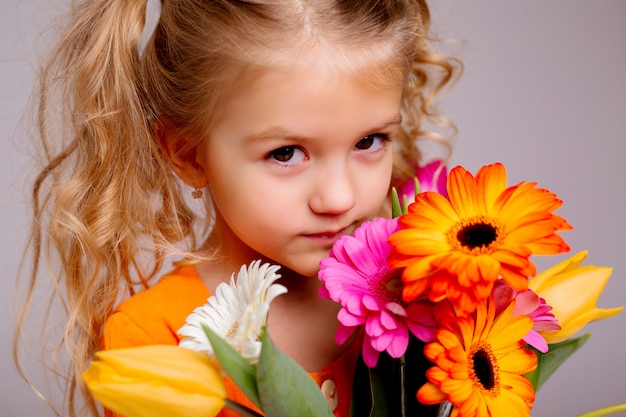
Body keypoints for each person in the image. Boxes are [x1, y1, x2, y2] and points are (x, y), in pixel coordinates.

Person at [14, 0, 460, 416]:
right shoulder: (152, 339)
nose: (340, 198)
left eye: (369, 141)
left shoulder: (424, 292)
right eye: (285, 153)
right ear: (188, 154)